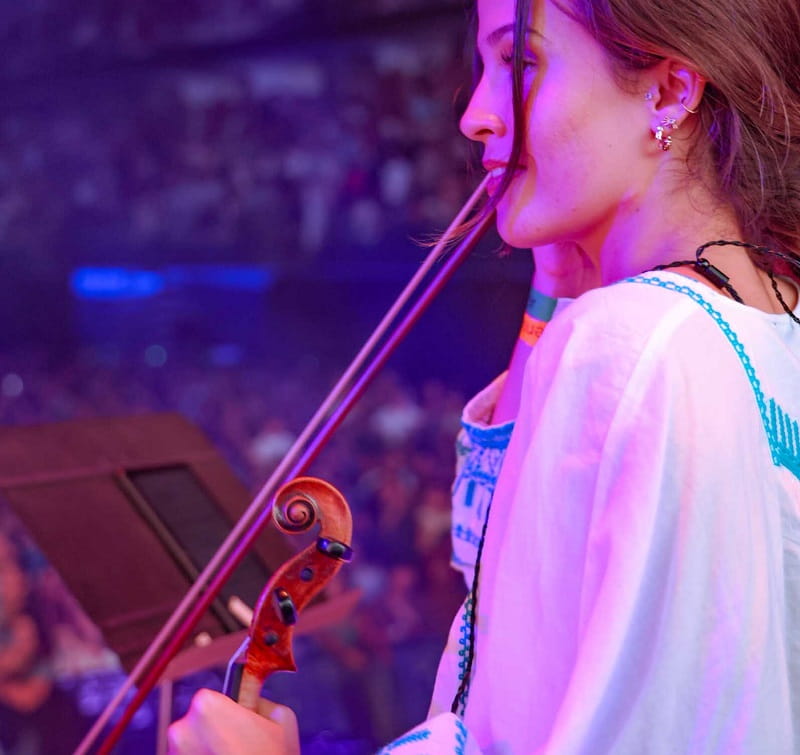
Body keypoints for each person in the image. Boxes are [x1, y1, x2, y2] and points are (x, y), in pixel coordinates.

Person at [167, 0, 800, 751]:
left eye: (520, 62)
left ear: (667, 93)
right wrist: (557, 282)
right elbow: (505, 620)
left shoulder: (630, 342)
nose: (473, 115)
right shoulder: (761, 324)